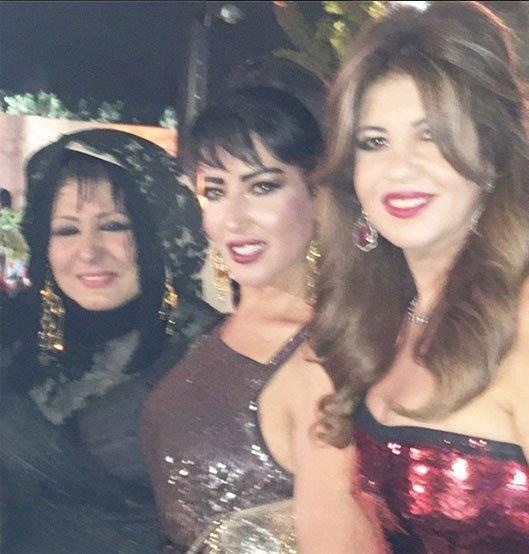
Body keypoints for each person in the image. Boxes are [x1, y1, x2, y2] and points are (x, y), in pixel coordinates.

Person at [290, 2, 529, 552]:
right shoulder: (371, 325)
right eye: (374, 142)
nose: (400, 167)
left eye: (431, 135)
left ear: (492, 158)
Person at [0, 129, 221, 553]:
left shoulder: (210, 350)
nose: (89, 251)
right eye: (66, 230)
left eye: (114, 226)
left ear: (158, 232)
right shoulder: (13, 332)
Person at [141, 86, 324, 552]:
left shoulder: (332, 350)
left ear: (318, 194)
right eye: (216, 191)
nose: (234, 219)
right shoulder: (206, 328)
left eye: (262, 187)